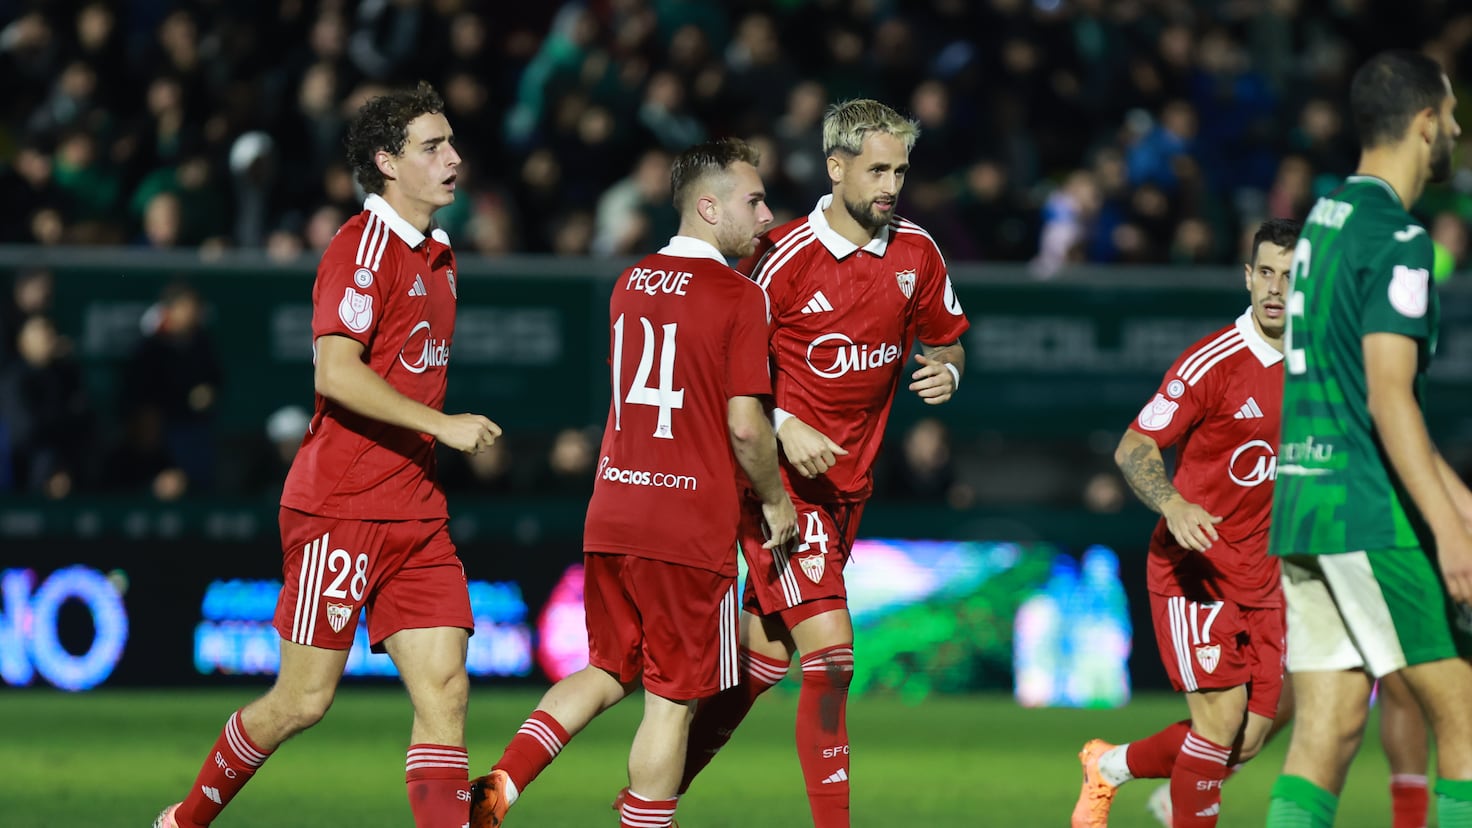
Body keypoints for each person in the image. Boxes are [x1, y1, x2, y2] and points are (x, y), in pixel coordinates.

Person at [154, 81, 501, 828]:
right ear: (386, 161)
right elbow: (335, 372)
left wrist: (432, 441)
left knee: (445, 692)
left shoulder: (439, 251)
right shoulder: (360, 248)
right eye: (432, 147)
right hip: (340, 506)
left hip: (417, 510)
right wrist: (440, 426)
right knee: (302, 702)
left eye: (451, 142)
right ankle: (182, 822)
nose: (454, 158)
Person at [468, 137, 798, 828]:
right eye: (754, 200)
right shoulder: (740, 297)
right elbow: (744, 427)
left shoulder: (629, 282)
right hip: (686, 524)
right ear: (707, 206)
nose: (767, 216)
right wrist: (774, 498)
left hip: (615, 509)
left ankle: (505, 780)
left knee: (607, 670)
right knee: (672, 701)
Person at [1069, 220, 1432, 828]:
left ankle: (1111, 766)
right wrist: (1175, 506)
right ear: (1247, 276)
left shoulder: (1324, 365)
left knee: (1248, 739)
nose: (1274, 287)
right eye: (1265, 272)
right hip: (1198, 572)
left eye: (1290, 277)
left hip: (1270, 579)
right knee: (1216, 729)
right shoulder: (1213, 362)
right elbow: (1134, 447)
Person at [676, 98, 970, 828]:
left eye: (901, 170)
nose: (892, 185)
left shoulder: (918, 253)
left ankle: (649, 801)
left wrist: (949, 371)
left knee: (761, 667)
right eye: (877, 169)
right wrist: (782, 421)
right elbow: (713, 370)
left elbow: (949, 338)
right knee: (833, 660)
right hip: (778, 487)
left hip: (848, 492)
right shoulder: (778, 259)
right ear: (835, 167)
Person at [1265, 50, 1472, 828]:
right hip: (1365, 510)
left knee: (1329, 727)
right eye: (1450, 116)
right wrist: (1451, 532)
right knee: (1464, 716)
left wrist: (1460, 500)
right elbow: (1389, 402)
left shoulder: (1324, 220)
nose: (1455, 129)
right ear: (1425, 123)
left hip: (1304, 505)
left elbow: (1354, 397)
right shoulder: (1400, 239)